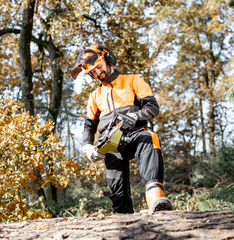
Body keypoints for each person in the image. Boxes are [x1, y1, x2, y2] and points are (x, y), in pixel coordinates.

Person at [70, 45, 172, 214]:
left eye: (98, 67)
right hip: (110, 142)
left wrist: (136, 116)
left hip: (135, 133)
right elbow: (89, 125)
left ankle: (155, 196)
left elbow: (153, 107)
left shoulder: (131, 80)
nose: (97, 73)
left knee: (149, 138)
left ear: (107, 59)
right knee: (118, 195)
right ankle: (123, 221)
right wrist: (87, 147)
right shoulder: (95, 96)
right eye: (92, 72)